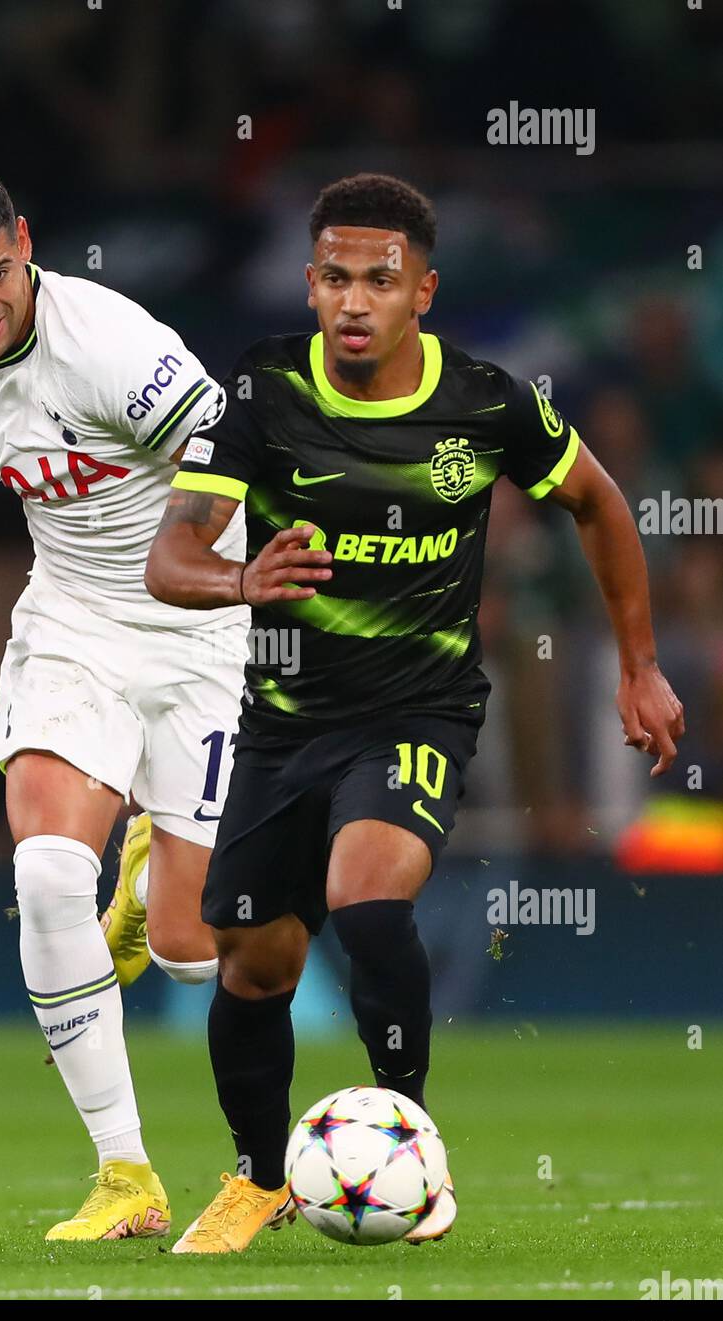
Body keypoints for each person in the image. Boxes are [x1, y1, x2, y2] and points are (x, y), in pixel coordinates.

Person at [144, 172, 685, 1254]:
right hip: (283, 722)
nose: (353, 301)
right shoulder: (260, 394)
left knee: (369, 902)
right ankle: (255, 1180)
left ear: (421, 292)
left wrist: (637, 664)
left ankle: (413, 1155)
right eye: (335, 278)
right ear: (308, 286)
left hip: (417, 712)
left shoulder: (484, 404)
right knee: (250, 956)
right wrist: (239, 582)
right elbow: (173, 556)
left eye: (378, 281)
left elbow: (596, 501)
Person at [0, 159, 248, 1241]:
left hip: (197, 626)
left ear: (26, 241)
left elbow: (222, 437)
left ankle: (154, 869)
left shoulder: (106, 340)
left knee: (191, 953)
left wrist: (183, 562)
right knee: (47, 872)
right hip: (71, 629)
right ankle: (125, 1176)